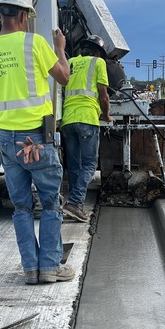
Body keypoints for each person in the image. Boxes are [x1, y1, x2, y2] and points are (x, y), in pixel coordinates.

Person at [0, 0, 72, 285]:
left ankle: (30, 268)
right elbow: (64, 77)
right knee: (51, 202)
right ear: (24, 15)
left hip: (7, 139)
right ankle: (50, 266)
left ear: (0, 14)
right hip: (36, 138)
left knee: (21, 206)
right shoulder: (35, 44)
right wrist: (60, 49)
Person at [60, 34, 113, 222]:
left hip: (68, 119)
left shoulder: (71, 62)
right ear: (98, 52)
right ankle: (75, 203)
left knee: (74, 165)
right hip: (87, 118)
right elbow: (103, 96)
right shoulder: (98, 63)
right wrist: (106, 115)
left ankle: (75, 206)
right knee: (89, 165)